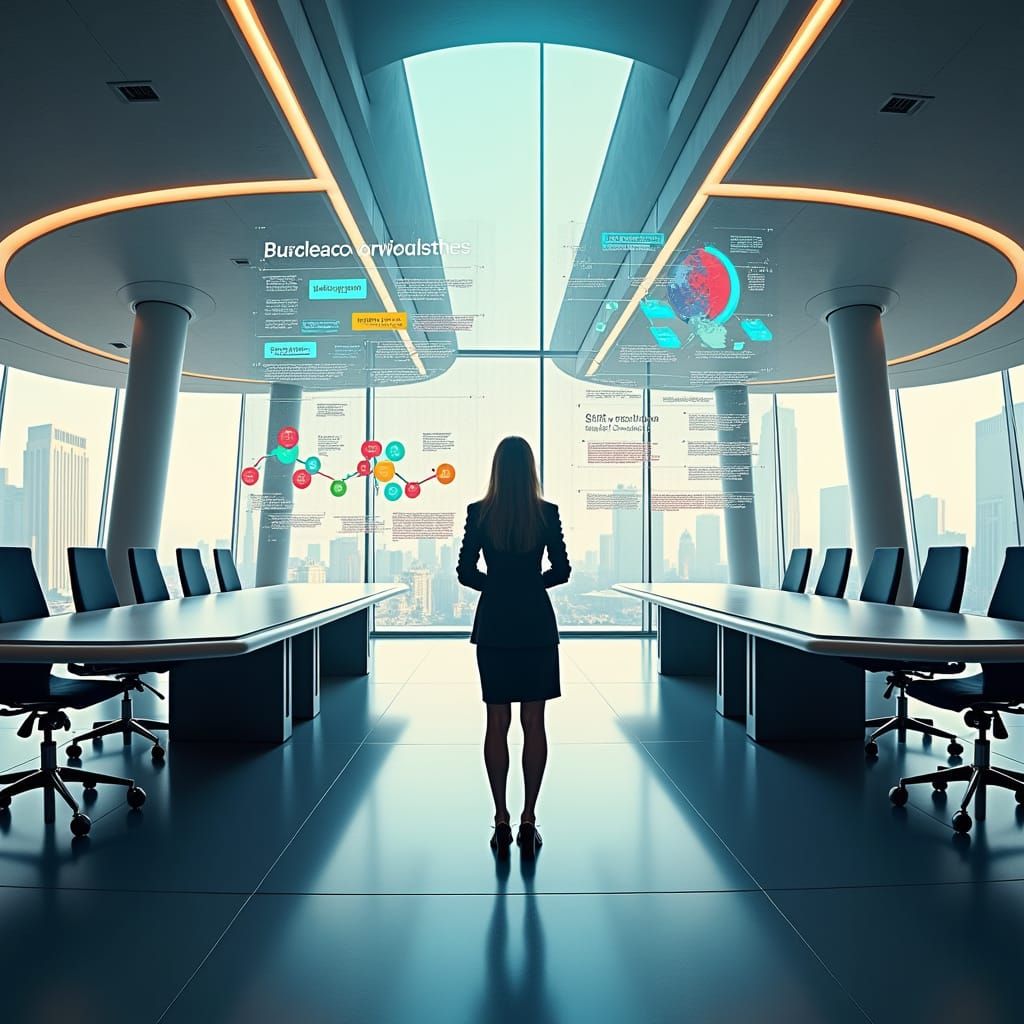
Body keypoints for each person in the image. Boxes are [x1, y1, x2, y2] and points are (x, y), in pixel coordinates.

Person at [456, 436, 571, 859]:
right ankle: (528, 819)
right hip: (536, 624)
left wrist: (500, 587)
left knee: (496, 721)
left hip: (495, 625)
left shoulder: (479, 513)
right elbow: (562, 570)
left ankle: (500, 818)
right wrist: (528, 585)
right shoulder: (547, 513)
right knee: (535, 723)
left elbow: (466, 572)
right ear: (531, 469)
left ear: (497, 468)